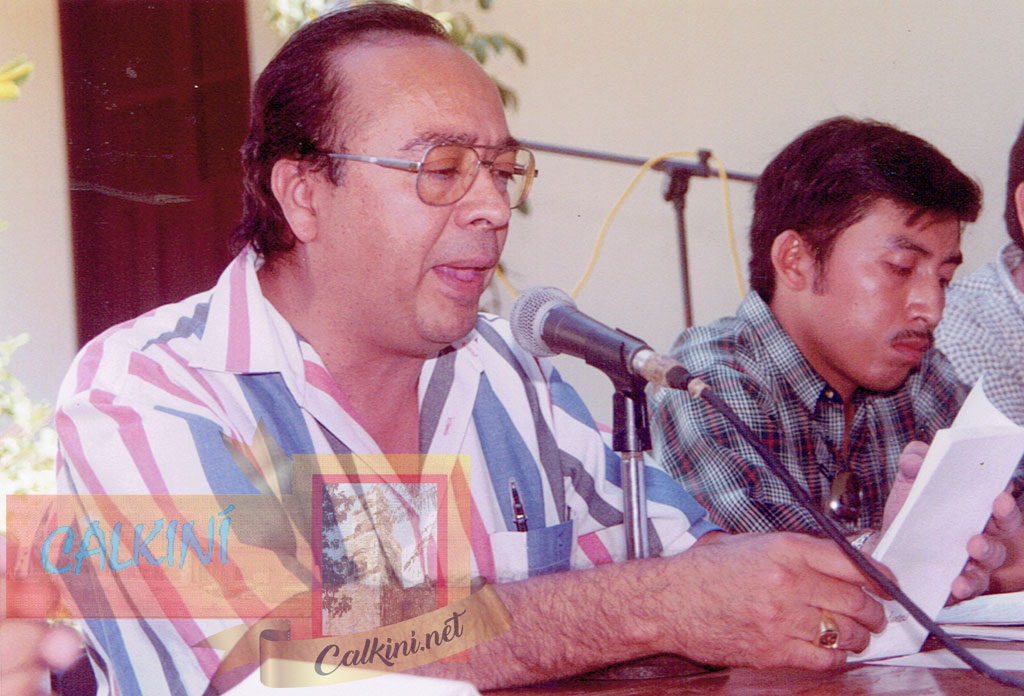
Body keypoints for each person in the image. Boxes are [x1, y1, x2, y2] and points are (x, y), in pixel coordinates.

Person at [50, 8, 1004, 695]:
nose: (495, 207)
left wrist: (886, 566)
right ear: (304, 194)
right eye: (443, 168)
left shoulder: (503, 374)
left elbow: (695, 564)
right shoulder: (150, 389)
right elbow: (274, 655)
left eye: (503, 168)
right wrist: (647, 609)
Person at [650, 116, 1022, 591]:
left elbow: (1014, 537)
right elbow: (786, 586)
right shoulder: (709, 383)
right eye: (901, 268)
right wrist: (905, 553)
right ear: (795, 261)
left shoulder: (923, 376)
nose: (932, 307)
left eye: (944, 278)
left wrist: (993, 550)